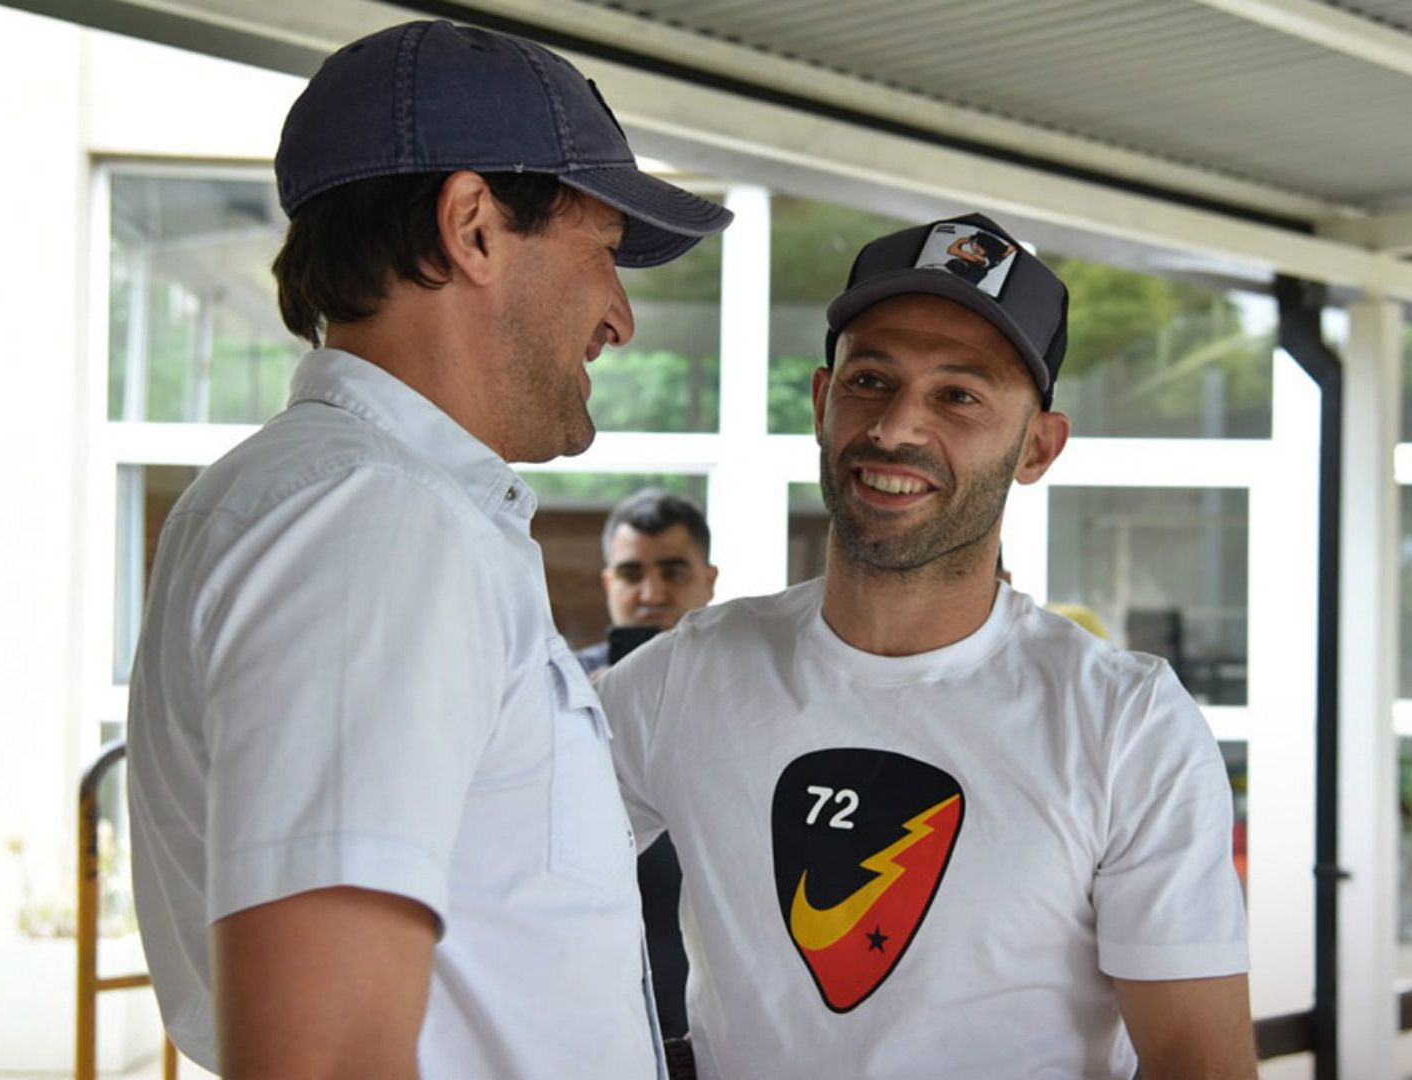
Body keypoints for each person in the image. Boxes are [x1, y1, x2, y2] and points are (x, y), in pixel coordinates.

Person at [125, 20, 730, 1079]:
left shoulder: (354, 504)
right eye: (602, 250)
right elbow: (328, 1052)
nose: (620, 316)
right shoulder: (370, 524)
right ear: (475, 228)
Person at [598, 213, 1255, 1079]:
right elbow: (499, 881)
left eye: (960, 395)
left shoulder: (1123, 720)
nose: (898, 426)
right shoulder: (687, 676)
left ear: (1038, 448)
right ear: (822, 403)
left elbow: (1195, 1059)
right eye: (872, 378)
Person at [576, 487, 719, 676]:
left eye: (674, 574)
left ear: (709, 581)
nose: (652, 595)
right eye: (631, 575)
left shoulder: (745, 676)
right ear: (609, 584)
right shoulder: (564, 683)